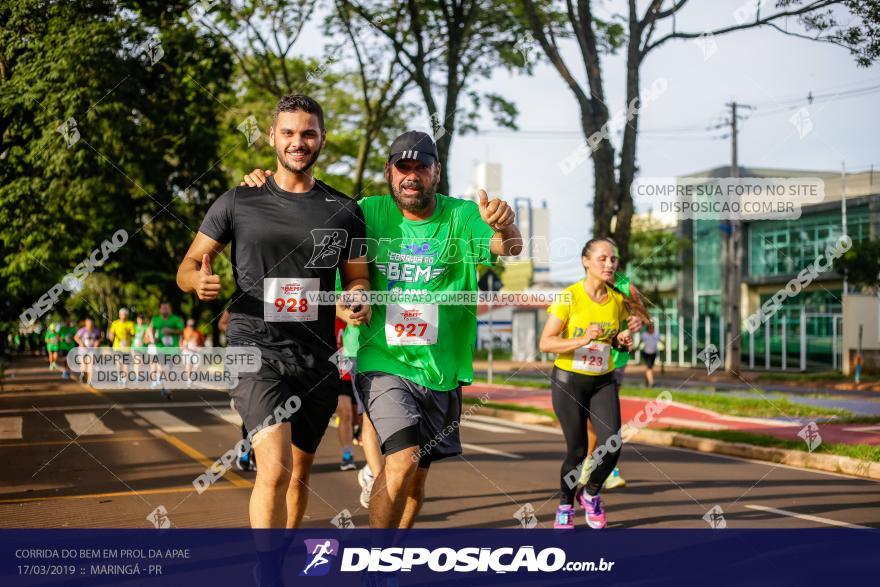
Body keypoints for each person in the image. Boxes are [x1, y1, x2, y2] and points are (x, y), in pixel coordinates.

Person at [242, 130, 522, 529]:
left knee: (414, 484)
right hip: (381, 358)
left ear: (436, 172)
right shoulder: (366, 212)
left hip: (439, 368)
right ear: (389, 172)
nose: (411, 175)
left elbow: (509, 248)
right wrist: (265, 185)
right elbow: (330, 269)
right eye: (402, 167)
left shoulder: (461, 216)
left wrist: (506, 226)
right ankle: (375, 564)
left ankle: (390, 554)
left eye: (420, 167)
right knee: (402, 460)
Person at [177, 93, 370, 543]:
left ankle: (279, 555)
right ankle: (269, 571)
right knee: (276, 467)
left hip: (316, 358)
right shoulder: (238, 201)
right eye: (288, 133)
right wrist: (197, 282)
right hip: (254, 350)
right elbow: (188, 265)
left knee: (299, 473)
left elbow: (357, 278)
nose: (297, 142)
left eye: (307, 133)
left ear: (322, 138)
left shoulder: (345, 211)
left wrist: (357, 299)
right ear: (272, 137)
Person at [538, 238, 634, 530]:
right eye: (603, 258)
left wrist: (623, 341)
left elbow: (618, 337)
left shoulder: (617, 300)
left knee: (612, 445)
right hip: (569, 380)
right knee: (578, 452)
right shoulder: (569, 297)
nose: (609, 264)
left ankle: (590, 494)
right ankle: (565, 504)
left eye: (613, 259)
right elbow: (546, 342)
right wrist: (582, 339)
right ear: (586, 261)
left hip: (602, 380)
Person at [148, 302, 183, 399]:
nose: (165, 310)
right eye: (163, 308)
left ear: (170, 309)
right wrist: (153, 338)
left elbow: (181, 331)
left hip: (173, 349)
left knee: (169, 369)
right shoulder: (156, 319)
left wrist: (171, 331)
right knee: (165, 368)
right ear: (160, 310)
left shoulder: (175, 319)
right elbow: (152, 329)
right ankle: (167, 389)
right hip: (161, 348)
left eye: (166, 308)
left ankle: (164, 386)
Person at [109, 308, 135, 387]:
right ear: (119, 315)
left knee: (126, 363)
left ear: (127, 315)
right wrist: (112, 336)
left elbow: (133, 334)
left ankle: (125, 379)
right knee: (119, 363)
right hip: (117, 347)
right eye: (122, 314)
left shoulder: (130, 324)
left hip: (126, 347)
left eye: (125, 314)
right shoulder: (115, 323)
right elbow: (111, 334)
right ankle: (119, 377)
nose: (123, 316)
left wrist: (128, 333)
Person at [74, 317, 102, 385]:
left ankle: (90, 380)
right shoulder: (82, 330)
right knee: (83, 363)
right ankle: (83, 373)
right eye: (88, 323)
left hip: (91, 350)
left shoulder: (96, 331)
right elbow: (76, 337)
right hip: (82, 349)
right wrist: (81, 343)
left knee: (91, 364)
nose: (90, 324)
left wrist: (98, 342)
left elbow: (99, 338)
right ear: (86, 323)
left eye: (91, 323)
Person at [181, 318, 205, 388]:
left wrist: (200, 347)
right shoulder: (184, 331)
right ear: (187, 324)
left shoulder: (198, 332)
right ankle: (189, 379)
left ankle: (191, 377)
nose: (191, 326)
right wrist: (182, 346)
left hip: (196, 350)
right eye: (190, 325)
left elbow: (201, 343)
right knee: (189, 364)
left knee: (197, 365)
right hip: (187, 351)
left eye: (192, 325)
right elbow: (181, 340)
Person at [640, 322, 661, 388]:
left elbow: (660, 340)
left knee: (650, 368)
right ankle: (651, 382)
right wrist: (636, 348)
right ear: (648, 329)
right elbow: (640, 341)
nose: (652, 329)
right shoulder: (644, 335)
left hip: (653, 353)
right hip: (646, 353)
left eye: (653, 328)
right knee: (649, 367)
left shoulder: (656, 334)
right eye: (650, 328)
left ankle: (647, 382)